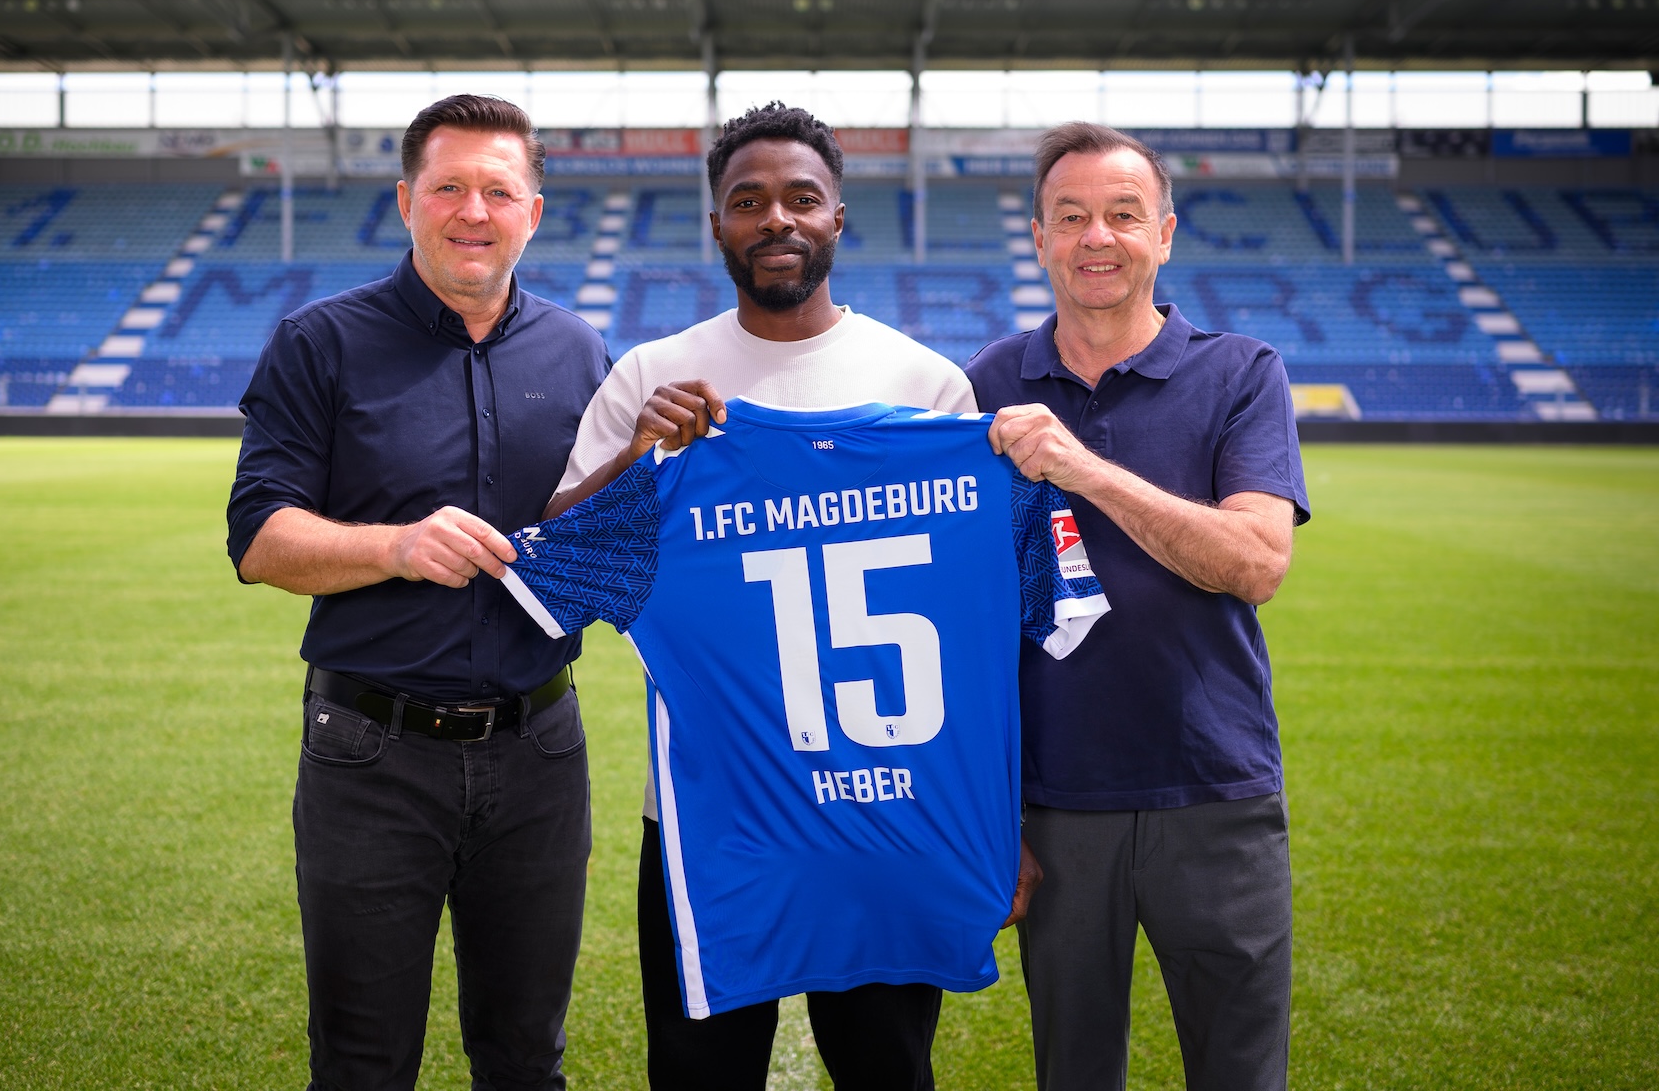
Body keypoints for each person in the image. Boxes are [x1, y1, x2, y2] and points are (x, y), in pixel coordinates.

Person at [548, 101, 1031, 1091]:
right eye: (748, 200)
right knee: (697, 1072)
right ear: (719, 223)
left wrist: (1001, 818)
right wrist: (639, 454)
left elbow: (986, 625)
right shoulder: (653, 375)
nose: (777, 218)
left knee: (888, 1068)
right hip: (708, 813)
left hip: (886, 800)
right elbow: (556, 560)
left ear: (839, 216)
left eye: (801, 197)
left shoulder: (927, 386)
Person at [226, 94, 610, 1091]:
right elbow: (260, 539)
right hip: (372, 755)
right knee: (361, 1062)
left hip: (540, 752)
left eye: (497, 190)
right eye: (448, 186)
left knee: (527, 1058)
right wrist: (398, 544)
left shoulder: (581, 352)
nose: (471, 210)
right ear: (406, 200)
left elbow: (612, 535)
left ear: (533, 210)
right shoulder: (320, 342)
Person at [967, 121, 1309, 1091]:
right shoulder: (985, 384)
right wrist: (991, 812)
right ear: (1038, 237)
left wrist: (1083, 468)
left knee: (1241, 1069)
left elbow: (1254, 561)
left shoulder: (1241, 372)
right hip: (1058, 801)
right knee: (1074, 1071)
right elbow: (965, 618)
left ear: (1164, 231)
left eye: (1121, 214)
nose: (1096, 237)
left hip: (1218, 790)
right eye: (1070, 217)